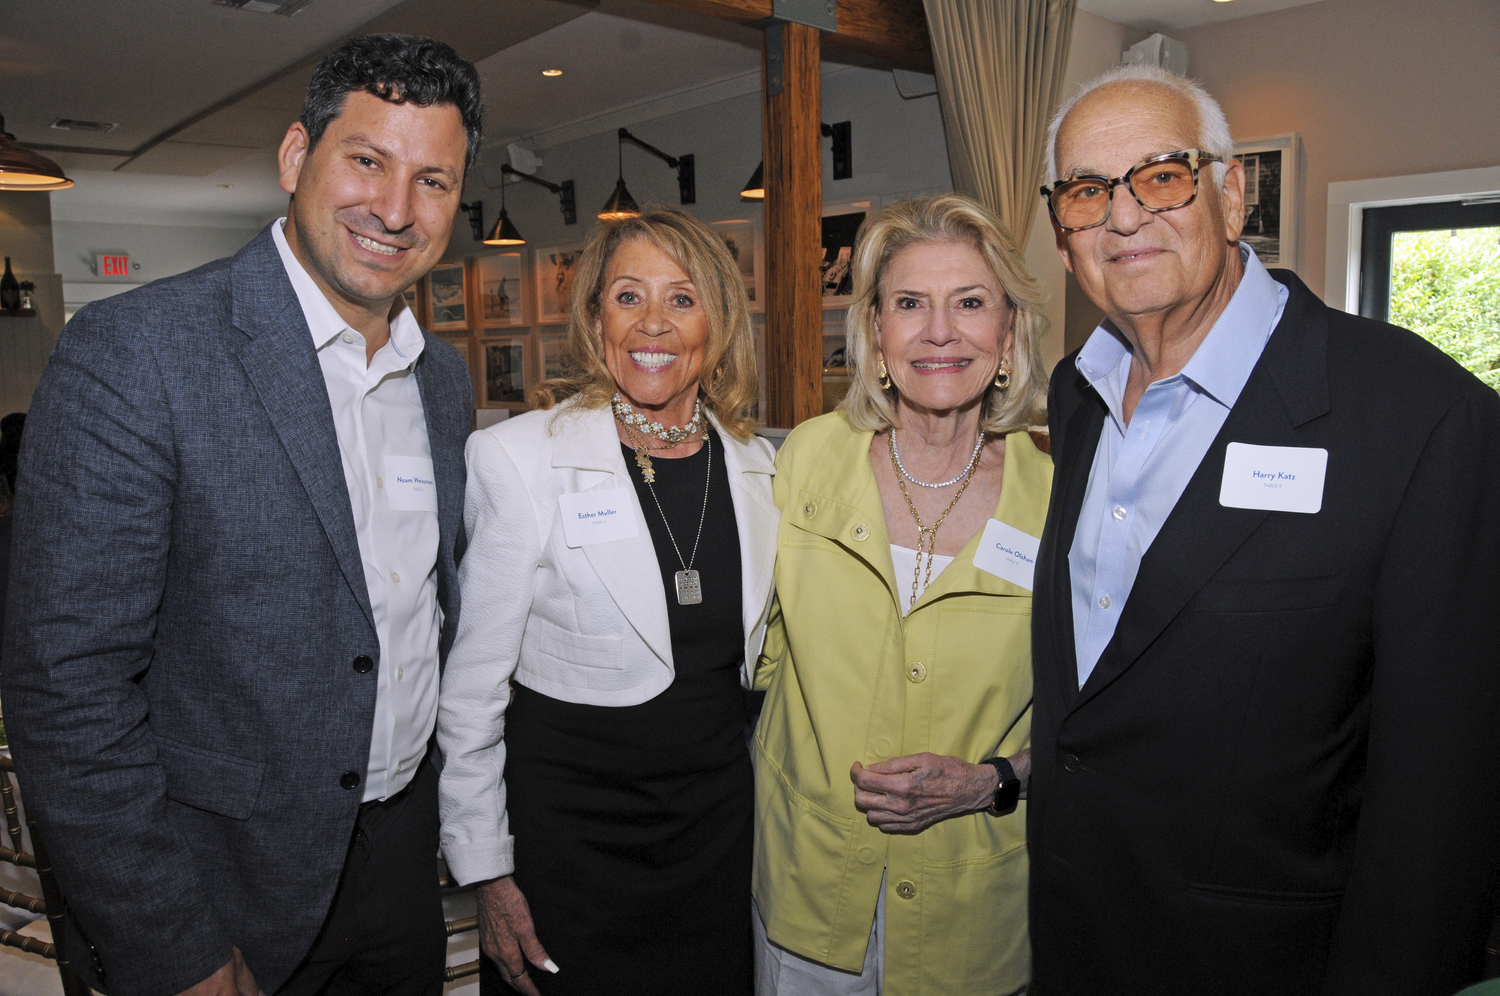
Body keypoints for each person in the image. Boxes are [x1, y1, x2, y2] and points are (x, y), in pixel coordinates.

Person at [1, 34, 480, 996]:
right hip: (218, 891)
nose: (396, 209)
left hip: (398, 869)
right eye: (367, 160)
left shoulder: (442, 380)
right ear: (297, 158)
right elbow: (67, 690)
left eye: (433, 180)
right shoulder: (138, 354)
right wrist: (173, 948)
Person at [1029, 64, 1500, 996]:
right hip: (1075, 940)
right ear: (1063, 229)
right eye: (1087, 192)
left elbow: (1442, 801)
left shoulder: (1420, 418)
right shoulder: (1076, 397)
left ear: (1232, 192)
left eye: (1161, 175)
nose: (1123, 218)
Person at [436, 207, 777, 996]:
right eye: (628, 297)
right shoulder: (518, 460)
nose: (653, 323)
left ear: (718, 320)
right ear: (595, 319)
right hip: (571, 855)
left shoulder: (760, 466)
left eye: (683, 299)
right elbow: (472, 697)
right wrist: (487, 875)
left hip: (715, 844)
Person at [752, 193, 1051, 995]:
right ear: (876, 336)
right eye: (910, 304)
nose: (940, 331)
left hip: (974, 903)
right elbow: (752, 653)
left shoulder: (1060, 499)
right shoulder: (807, 460)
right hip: (811, 887)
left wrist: (992, 780)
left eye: (971, 304)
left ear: (1008, 335)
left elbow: (1099, 719)